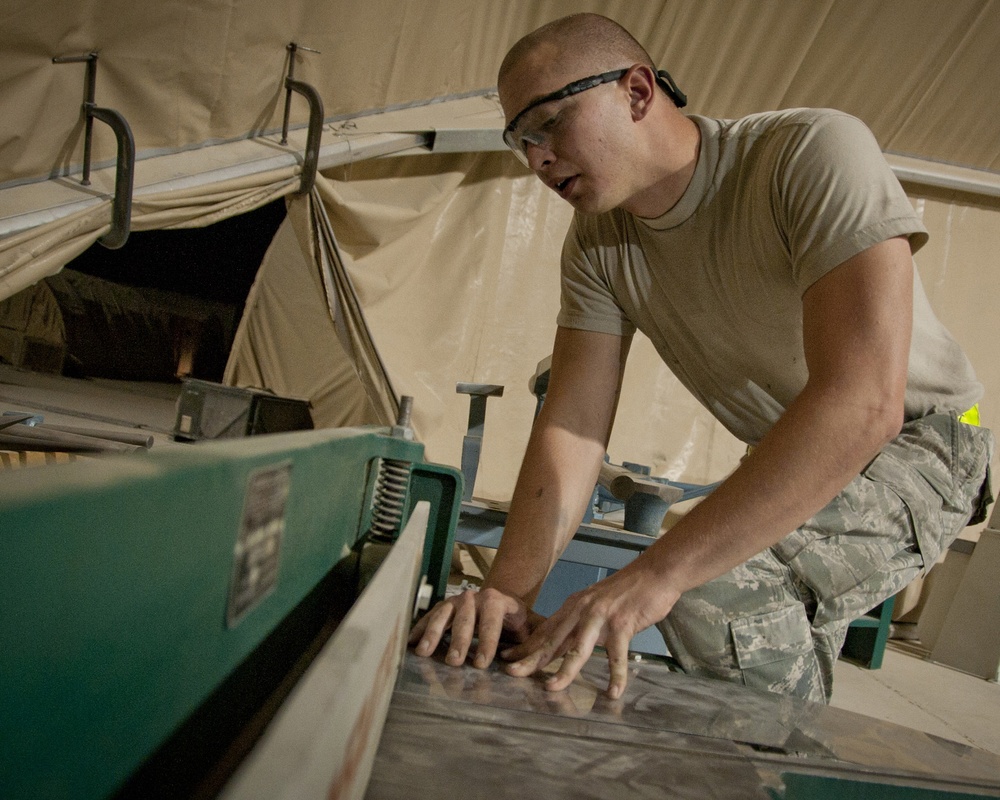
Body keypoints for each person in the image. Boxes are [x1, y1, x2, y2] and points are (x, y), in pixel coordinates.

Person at [409, 12, 994, 704]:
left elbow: (865, 402)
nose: (537, 157)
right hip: (798, 443)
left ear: (635, 90)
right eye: (522, 140)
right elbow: (573, 426)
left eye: (551, 123)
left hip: (930, 439)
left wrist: (659, 575)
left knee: (710, 588)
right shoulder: (599, 246)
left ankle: (776, 774)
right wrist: (507, 593)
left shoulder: (808, 154)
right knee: (722, 605)